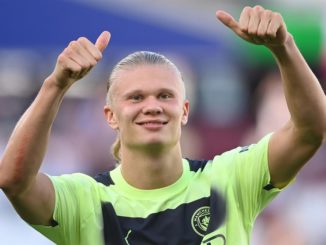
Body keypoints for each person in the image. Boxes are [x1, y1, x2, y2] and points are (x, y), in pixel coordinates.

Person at [0, 5, 325, 245]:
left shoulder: (230, 180)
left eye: (165, 95)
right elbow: (14, 181)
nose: (152, 106)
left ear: (184, 111)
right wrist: (55, 85)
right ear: (110, 115)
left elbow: (310, 130)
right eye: (136, 97)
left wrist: (284, 48)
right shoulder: (87, 201)